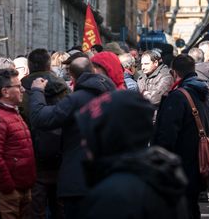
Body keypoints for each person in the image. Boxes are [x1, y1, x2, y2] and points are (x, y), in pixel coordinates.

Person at [27, 57, 116, 219]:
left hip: (78, 181)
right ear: (93, 71)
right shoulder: (114, 96)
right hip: (107, 178)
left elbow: (40, 118)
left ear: (73, 78)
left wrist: (37, 91)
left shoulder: (77, 99)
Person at [76, 90, 188, 219]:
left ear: (110, 136)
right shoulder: (162, 176)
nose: (84, 142)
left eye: (92, 133)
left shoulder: (113, 196)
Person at [152, 54, 209, 219]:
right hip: (197, 162)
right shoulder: (202, 92)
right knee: (191, 207)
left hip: (181, 166)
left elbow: (167, 136)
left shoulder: (178, 96)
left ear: (174, 73)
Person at [21, 48, 69, 219]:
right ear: (49, 65)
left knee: (36, 210)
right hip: (61, 157)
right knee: (60, 210)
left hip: (33, 159)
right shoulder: (65, 90)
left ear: (29, 66)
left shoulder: (22, 92)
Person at [0, 68, 36, 219]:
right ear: (5, 92)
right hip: (10, 193)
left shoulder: (13, 112)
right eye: (18, 86)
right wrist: (9, 188)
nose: (22, 89)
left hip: (23, 188)